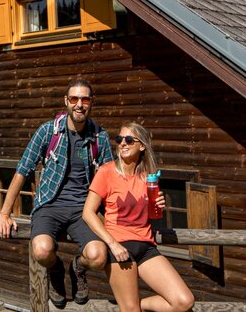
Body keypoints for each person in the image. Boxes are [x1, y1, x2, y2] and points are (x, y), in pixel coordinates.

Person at [0, 78, 114, 308]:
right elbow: (22, 170)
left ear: (91, 103)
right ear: (66, 101)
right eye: (74, 99)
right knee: (41, 250)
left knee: (98, 257)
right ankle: (56, 268)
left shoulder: (100, 137)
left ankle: (77, 268)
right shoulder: (48, 131)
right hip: (49, 205)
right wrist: (4, 213)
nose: (79, 104)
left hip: (84, 210)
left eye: (85, 99)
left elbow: (111, 180)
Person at [83, 122, 195, 312]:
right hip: (119, 248)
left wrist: (157, 206)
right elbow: (88, 213)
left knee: (184, 301)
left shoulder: (148, 177)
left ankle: (137, 305)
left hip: (146, 247)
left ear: (141, 146)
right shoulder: (106, 172)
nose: (123, 144)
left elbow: (151, 216)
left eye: (129, 140)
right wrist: (112, 244)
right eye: (119, 139)